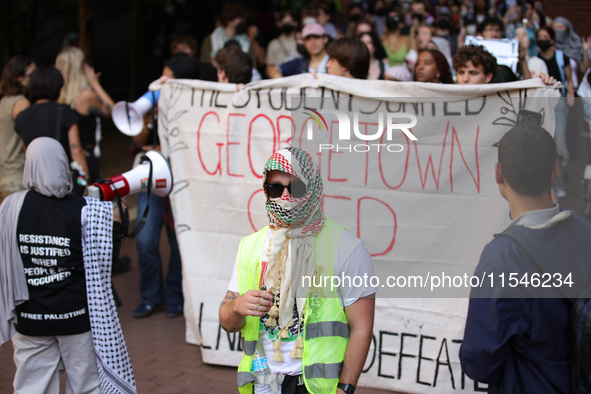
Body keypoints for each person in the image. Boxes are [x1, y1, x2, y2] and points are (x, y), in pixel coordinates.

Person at [219, 147, 376, 394]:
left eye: (295, 187)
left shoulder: (346, 247)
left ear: (312, 188)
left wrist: (344, 389)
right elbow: (228, 322)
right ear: (266, 192)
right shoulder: (250, 246)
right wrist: (237, 306)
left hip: (315, 387)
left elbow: (362, 327)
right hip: (261, 381)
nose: (285, 196)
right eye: (275, 188)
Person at [459, 123, 591, 393]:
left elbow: (479, 364)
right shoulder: (585, 228)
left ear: (498, 174)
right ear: (555, 172)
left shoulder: (500, 261)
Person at [0, 137, 134, 394]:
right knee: (86, 386)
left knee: (31, 386)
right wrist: (117, 220)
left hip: (30, 320)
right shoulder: (86, 209)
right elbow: (106, 262)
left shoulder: (11, 207)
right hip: (77, 320)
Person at [131, 56, 192, 319]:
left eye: (168, 79)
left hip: (180, 176)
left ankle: (174, 296)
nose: (161, 83)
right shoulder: (153, 105)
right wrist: (148, 116)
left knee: (179, 240)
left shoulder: (190, 106)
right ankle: (150, 296)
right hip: (152, 172)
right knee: (145, 239)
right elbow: (139, 140)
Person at [14, 65, 89, 181]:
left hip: (38, 181)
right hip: (62, 179)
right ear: (58, 86)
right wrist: (86, 181)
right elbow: (76, 151)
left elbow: (27, 152)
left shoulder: (22, 117)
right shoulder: (64, 111)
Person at [55, 47, 114, 184]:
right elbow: (112, 111)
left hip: (62, 158)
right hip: (84, 158)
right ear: (79, 67)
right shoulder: (85, 95)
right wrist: (95, 84)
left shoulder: (55, 96)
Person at [536, 26, 574, 198]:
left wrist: (571, 95)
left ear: (552, 40)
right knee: (548, 144)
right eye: (539, 37)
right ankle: (555, 181)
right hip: (543, 104)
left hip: (560, 103)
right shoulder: (536, 60)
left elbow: (569, 79)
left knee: (561, 144)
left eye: (545, 36)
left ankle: (560, 173)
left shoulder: (561, 56)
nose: (542, 39)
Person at [0, 56, 35, 203]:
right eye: (32, 74)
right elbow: (28, 144)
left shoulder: (4, 101)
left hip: (5, 176)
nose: (36, 78)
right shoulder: (22, 103)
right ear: (20, 78)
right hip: (18, 178)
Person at [265, 11, 299, 75]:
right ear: (279, 24)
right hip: (280, 79)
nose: (287, 24)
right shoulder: (273, 44)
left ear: (295, 23)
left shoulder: (303, 42)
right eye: (284, 22)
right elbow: (268, 68)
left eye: (289, 22)